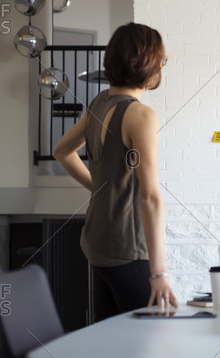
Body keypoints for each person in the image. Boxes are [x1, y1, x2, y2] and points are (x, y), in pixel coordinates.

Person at [53, 22, 177, 321]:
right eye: (161, 59)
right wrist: (159, 272)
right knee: (151, 341)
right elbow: (150, 198)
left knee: (111, 345)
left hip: (98, 247)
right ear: (148, 63)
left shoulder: (99, 103)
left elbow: (62, 152)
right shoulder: (141, 115)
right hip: (128, 252)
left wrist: (99, 187)